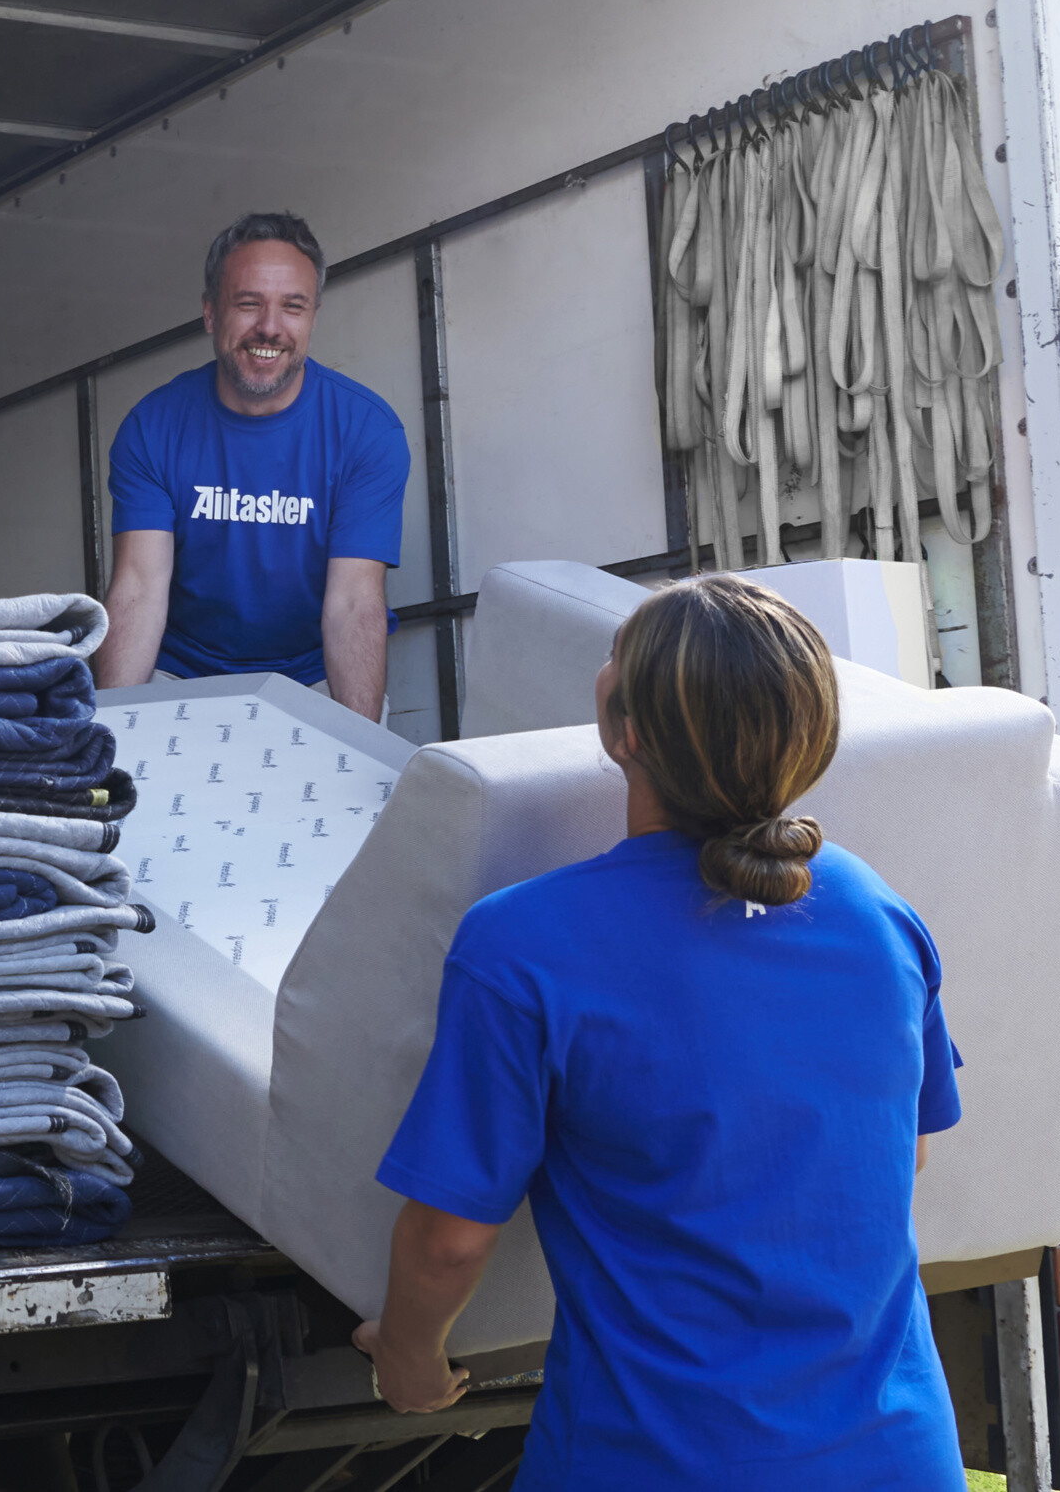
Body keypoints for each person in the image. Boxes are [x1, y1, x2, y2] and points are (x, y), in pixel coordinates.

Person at [351, 573, 966, 1488]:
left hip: (659, 1461)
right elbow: (899, 1155)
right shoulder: (880, 914)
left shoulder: (524, 942)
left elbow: (450, 1238)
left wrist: (408, 1357)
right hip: (896, 1457)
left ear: (623, 732)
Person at [95, 212, 411, 723]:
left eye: (293, 307)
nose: (270, 327)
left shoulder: (367, 431)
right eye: (248, 304)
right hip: (180, 672)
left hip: (311, 675)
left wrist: (357, 748)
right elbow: (138, 590)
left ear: (313, 316)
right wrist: (109, 733)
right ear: (210, 313)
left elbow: (354, 603)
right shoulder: (152, 426)